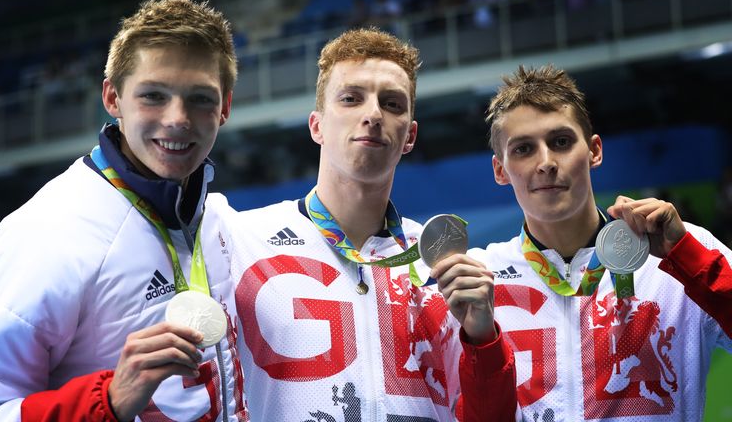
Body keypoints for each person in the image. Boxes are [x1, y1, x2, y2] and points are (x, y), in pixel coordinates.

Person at [209, 27, 516, 421]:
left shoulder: (441, 264)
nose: (373, 114)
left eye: (391, 104)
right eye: (351, 99)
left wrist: (483, 341)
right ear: (316, 125)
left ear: (410, 135)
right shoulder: (240, 240)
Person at [0, 0, 248, 421]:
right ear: (112, 98)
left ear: (225, 107)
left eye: (200, 99)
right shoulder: (44, 234)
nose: (178, 119)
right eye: (153, 95)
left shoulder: (223, 223)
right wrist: (108, 402)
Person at [468, 64, 732, 420]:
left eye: (560, 142)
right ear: (501, 170)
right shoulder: (478, 279)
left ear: (594, 151)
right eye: (524, 149)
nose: (545, 162)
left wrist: (688, 259)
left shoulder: (682, 252)